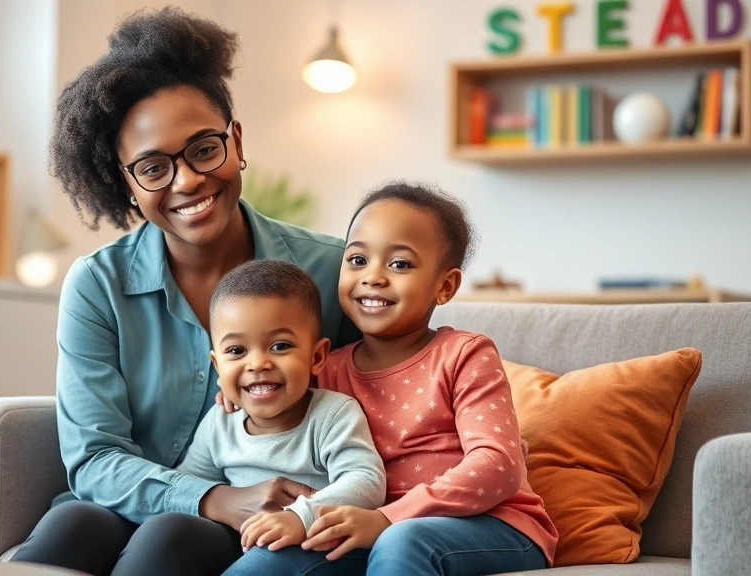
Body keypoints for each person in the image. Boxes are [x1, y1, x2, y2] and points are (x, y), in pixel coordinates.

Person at [9, 7, 358, 576]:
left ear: (235, 141)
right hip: (125, 503)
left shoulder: (329, 270)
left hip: (266, 521)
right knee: (71, 524)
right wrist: (211, 497)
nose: (188, 181)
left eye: (203, 149)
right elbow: (94, 458)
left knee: (169, 539)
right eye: (152, 168)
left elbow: (386, 389)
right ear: (125, 181)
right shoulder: (98, 285)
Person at [225, 182, 558, 576]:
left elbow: (498, 464)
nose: (373, 277)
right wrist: (241, 393)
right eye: (357, 259)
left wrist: (389, 518)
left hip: (493, 524)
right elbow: (275, 411)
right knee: (268, 559)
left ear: (445, 286)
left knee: (403, 540)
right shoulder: (324, 370)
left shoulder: (465, 354)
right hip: (367, 526)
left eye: (399, 264)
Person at [178, 260, 385, 559]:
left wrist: (301, 517)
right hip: (238, 542)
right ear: (217, 365)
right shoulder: (219, 422)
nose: (257, 364)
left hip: (311, 547)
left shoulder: (333, 414)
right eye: (236, 351)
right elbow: (190, 484)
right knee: (167, 533)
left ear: (316, 357)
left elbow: (366, 481)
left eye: (279, 346)